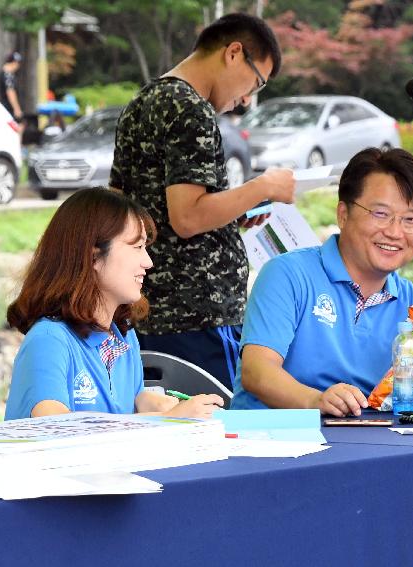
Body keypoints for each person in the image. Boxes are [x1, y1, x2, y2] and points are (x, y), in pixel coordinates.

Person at [110, 13, 296, 392]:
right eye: (255, 82)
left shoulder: (143, 101)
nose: (246, 99)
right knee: (213, 434)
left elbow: (124, 204)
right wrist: (263, 187)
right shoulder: (191, 110)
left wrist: (230, 213)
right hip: (196, 312)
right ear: (233, 53)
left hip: (146, 307)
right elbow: (188, 216)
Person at [231, 147, 413, 416]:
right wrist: (316, 401)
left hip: (374, 444)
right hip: (275, 443)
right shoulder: (287, 275)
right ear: (343, 214)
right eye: (380, 214)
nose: (395, 232)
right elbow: (257, 372)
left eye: (410, 219)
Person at [5, 187, 223, 421]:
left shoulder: (123, 338)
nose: (148, 262)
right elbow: (55, 431)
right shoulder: (49, 340)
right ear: (93, 257)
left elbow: (126, 412)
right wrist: (163, 422)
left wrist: (147, 402)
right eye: (137, 247)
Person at [0, 51, 23, 124]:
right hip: (8, 108)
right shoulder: (8, 75)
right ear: (14, 63)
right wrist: (16, 109)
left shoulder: (5, 74)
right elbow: (10, 91)